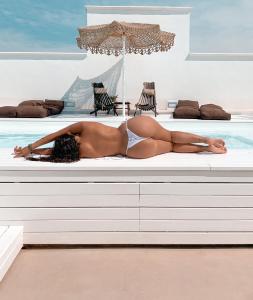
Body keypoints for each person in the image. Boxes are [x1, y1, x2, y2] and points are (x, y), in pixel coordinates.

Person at [13, 115, 227, 162]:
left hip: (133, 150)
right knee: (171, 136)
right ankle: (206, 139)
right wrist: (29, 146)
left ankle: (205, 150)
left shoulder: (82, 152)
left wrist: (33, 154)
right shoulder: (84, 127)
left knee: (170, 146)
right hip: (130, 128)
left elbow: (53, 152)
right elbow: (54, 135)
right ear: (72, 136)